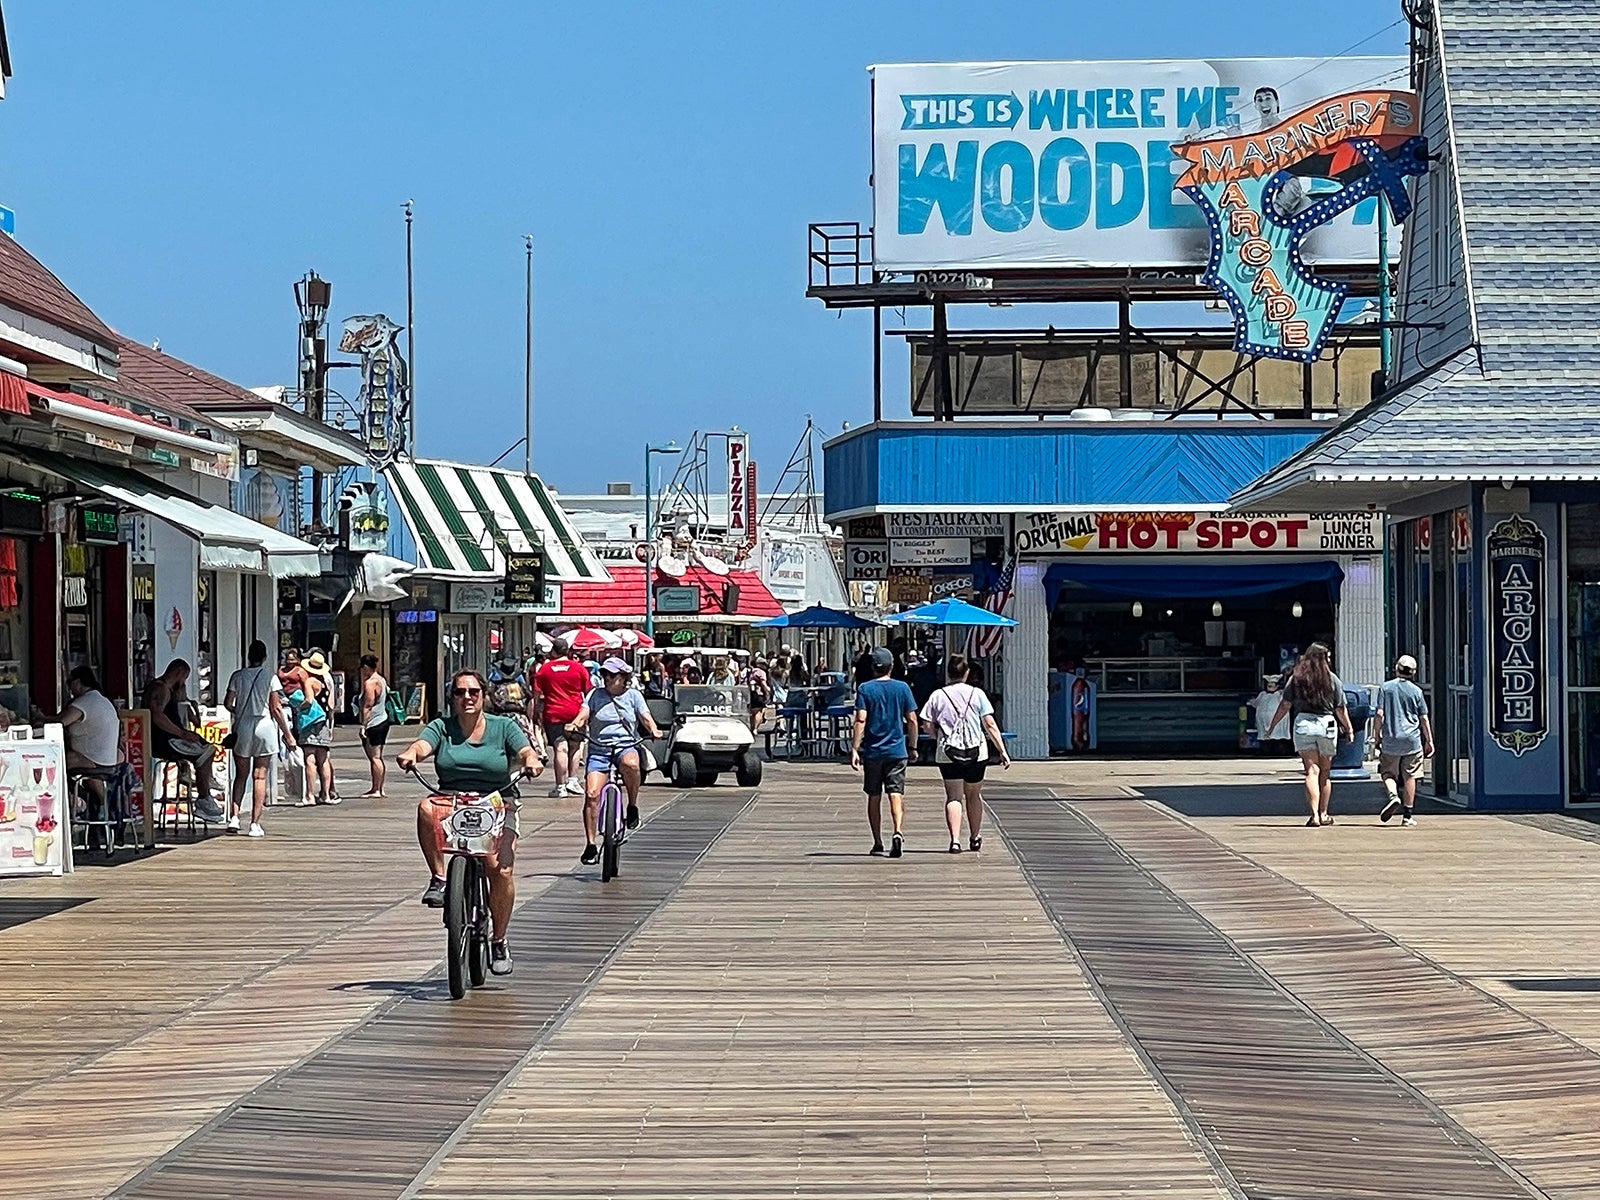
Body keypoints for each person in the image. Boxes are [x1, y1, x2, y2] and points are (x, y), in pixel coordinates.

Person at [397, 669, 543, 976]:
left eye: (473, 692)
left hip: (497, 798)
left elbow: (525, 750)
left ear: (484, 696)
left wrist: (530, 760)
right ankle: (439, 878)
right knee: (425, 807)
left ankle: (499, 939)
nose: (467, 697)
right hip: (451, 798)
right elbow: (422, 745)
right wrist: (411, 753)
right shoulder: (442, 726)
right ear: (452, 697)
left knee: (498, 869)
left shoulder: (503, 726)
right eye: (460, 692)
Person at [567, 657, 664, 866]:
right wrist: (574, 724)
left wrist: (654, 729)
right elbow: (583, 715)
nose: (607, 679)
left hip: (625, 745)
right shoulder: (595, 695)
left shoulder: (634, 696)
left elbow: (645, 717)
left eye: (612, 675)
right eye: (604, 675)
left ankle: (632, 805)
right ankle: (591, 845)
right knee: (591, 794)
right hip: (598, 748)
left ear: (624, 677)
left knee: (631, 764)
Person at [921, 655, 1011, 853]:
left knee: (953, 796)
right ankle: (974, 836)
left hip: (947, 752)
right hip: (976, 751)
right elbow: (989, 724)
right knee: (973, 794)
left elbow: (926, 723)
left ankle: (955, 840)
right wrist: (1002, 750)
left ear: (949, 673)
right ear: (967, 673)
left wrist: (938, 736)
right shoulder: (977, 694)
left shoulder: (938, 695)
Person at [1270, 642, 1354, 828]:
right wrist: (1349, 729)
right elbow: (1340, 709)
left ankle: (1314, 814)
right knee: (1325, 772)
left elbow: (1285, 705)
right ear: (1322, 659)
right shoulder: (1333, 680)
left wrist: (1272, 726)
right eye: (1328, 657)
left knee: (1311, 771)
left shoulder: (1297, 678)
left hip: (1304, 724)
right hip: (1326, 725)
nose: (1330, 661)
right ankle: (1324, 813)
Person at [851, 646, 919, 858]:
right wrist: (913, 746)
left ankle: (878, 841)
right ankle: (897, 831)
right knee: (895, 793)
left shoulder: (865, 689)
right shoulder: (902, 688)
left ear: (873, 667)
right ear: (892, 666)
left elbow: (860, 719)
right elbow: (912, 720)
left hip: (873, 751)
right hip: (897, 751)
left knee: (874, 795)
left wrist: (854, 749)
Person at [224, 641, 295, 837]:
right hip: (264, 726)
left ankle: (234, 818)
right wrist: (288, 735)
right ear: (264, 657)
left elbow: (228, 702)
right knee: (260, 776)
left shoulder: (237, 676)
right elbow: (276, 708)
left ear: (248, 655)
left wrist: (238, 711)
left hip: (243, 725)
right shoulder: (270, 677)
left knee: (241, 774)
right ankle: (255, 824)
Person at [143, 659, 224, 823]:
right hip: (166, 741)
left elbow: (189, 716)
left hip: (172, 738)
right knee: (206, 751)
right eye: (184, 678)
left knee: (206, 747)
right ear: (179, 673)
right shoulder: (161, 689)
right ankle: (203, 798)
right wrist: (181, 733)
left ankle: (203, 778)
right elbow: (157, 715)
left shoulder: (171, 691)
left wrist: (190, 703)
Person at [1376, 654, 1434, 827]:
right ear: (1414, 672)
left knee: (1388, 773)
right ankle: (1408, 816)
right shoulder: (1416, 691)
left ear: (1396, 668)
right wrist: (1429, 740)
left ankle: (1393, 795)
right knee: (1411, 776)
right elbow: (1423, 718)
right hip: (1412, 739)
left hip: (1391, 737)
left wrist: (1376, 734)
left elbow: (1379, 714)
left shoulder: (1385, 688)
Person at [534, 637, 591, 798]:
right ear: (567, 651)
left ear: (553, 651)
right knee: (575, 746)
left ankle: (560, 787)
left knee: (560, 748)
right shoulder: (579, 668)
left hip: (553, 713)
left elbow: (537, 694)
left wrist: (536, 711)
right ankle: (573, 780)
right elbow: (587, 691)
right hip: (575, 713)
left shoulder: (544, 670)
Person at [296, 650, 338, 806]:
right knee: (324, 759)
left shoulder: (310, 682)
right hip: (324, 722)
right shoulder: (326, 683)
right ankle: (326, 794)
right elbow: (331, 705)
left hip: (311, 723)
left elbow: (308, 700)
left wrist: (298, 707)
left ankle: (309, 795)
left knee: (310, 759)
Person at [357, 655, 391, 799]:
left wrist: (363, 725)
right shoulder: (381, 680)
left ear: (366, 667)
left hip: (374, 722)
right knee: (377, 756)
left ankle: (377, 789)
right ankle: (378, 788)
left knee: (375, 757)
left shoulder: (370, 683)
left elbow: (368, 705)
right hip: (383, 719)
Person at [1252, 674, 1291, 753]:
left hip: (1277, 722)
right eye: (1268, 685)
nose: (1270, 686)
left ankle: (1280, 750)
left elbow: (1285, 704)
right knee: (1265, 739)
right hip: (1263, 722)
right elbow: (1255, 703)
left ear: (1276, 686)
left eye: (1272, 685)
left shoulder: (1279, 694)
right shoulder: (1262, 695)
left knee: (1278, 738)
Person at [746, 656, 773, 730]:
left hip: (751, 693)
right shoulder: (761, 672)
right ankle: (755, 728)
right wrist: (767, 691)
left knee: (752, 712)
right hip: (759, 694)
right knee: (759, 711)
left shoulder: (751, 671)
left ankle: (752, 727)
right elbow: (763, 683)